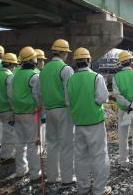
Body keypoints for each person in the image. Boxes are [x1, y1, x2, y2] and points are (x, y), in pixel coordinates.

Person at [68, 47, 112, 195]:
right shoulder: (96, 77)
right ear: (88, 60)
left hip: (79, 123)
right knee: (99, 155)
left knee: (80, 156)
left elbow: (68, 101)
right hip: (95, 122)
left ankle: (83, 187)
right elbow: (102, 98)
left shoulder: (71, 79)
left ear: (76, 61)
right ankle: (99, 189)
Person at [39, 39, 75, 189]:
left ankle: (52, 177)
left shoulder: (44, 69)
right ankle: (67, 178)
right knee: (67, 145)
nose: (67, 54)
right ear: (63, 52)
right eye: (66, 52)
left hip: (49, 110)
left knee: (52, 144)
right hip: (64, 109)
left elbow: (39, 92)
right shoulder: (65, 69)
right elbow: (70, 92)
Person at [12, 46, 42, 181]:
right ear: (31, 59)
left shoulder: (15, 74)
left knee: (19, 143)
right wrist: (42, 109)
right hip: (31, 114)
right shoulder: (34, 75)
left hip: (17, 113)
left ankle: (20, 170)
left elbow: (10, 94)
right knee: (33, 144)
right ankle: (35, 174)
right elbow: (38, 95)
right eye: (35, 57)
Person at [112, 51, 133, 170]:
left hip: (124, 111)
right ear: (130, 61)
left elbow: (117, 94)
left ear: (121, 63)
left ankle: (124, 161)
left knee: (123, 137)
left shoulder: (116, 76)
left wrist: (128, 105)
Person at [0, 53, 18, 165]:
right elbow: (11, 95)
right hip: (7, 109)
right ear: (11, 64)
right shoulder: (9, 76)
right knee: (10, 134)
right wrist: (15, 110)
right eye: (14, 65)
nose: (15, 67)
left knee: (5, 132)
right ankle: (6, 157)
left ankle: (4, 155)